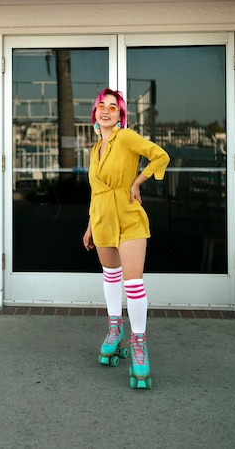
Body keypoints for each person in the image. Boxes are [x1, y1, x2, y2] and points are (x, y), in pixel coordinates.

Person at [83, 88, 169, 389]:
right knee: (110, 276)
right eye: (101, 106)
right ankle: (114, 329)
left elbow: (160, 156)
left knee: (133, 283)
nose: (106, 111)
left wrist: (138, 181)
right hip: (103, 217)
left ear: (120, 115)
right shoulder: (94, 150)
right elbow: (96, 191)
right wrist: (91, 225)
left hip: (129, 216)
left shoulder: (127, 138)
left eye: (113, 107)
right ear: (95, 112)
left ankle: (139, 343)